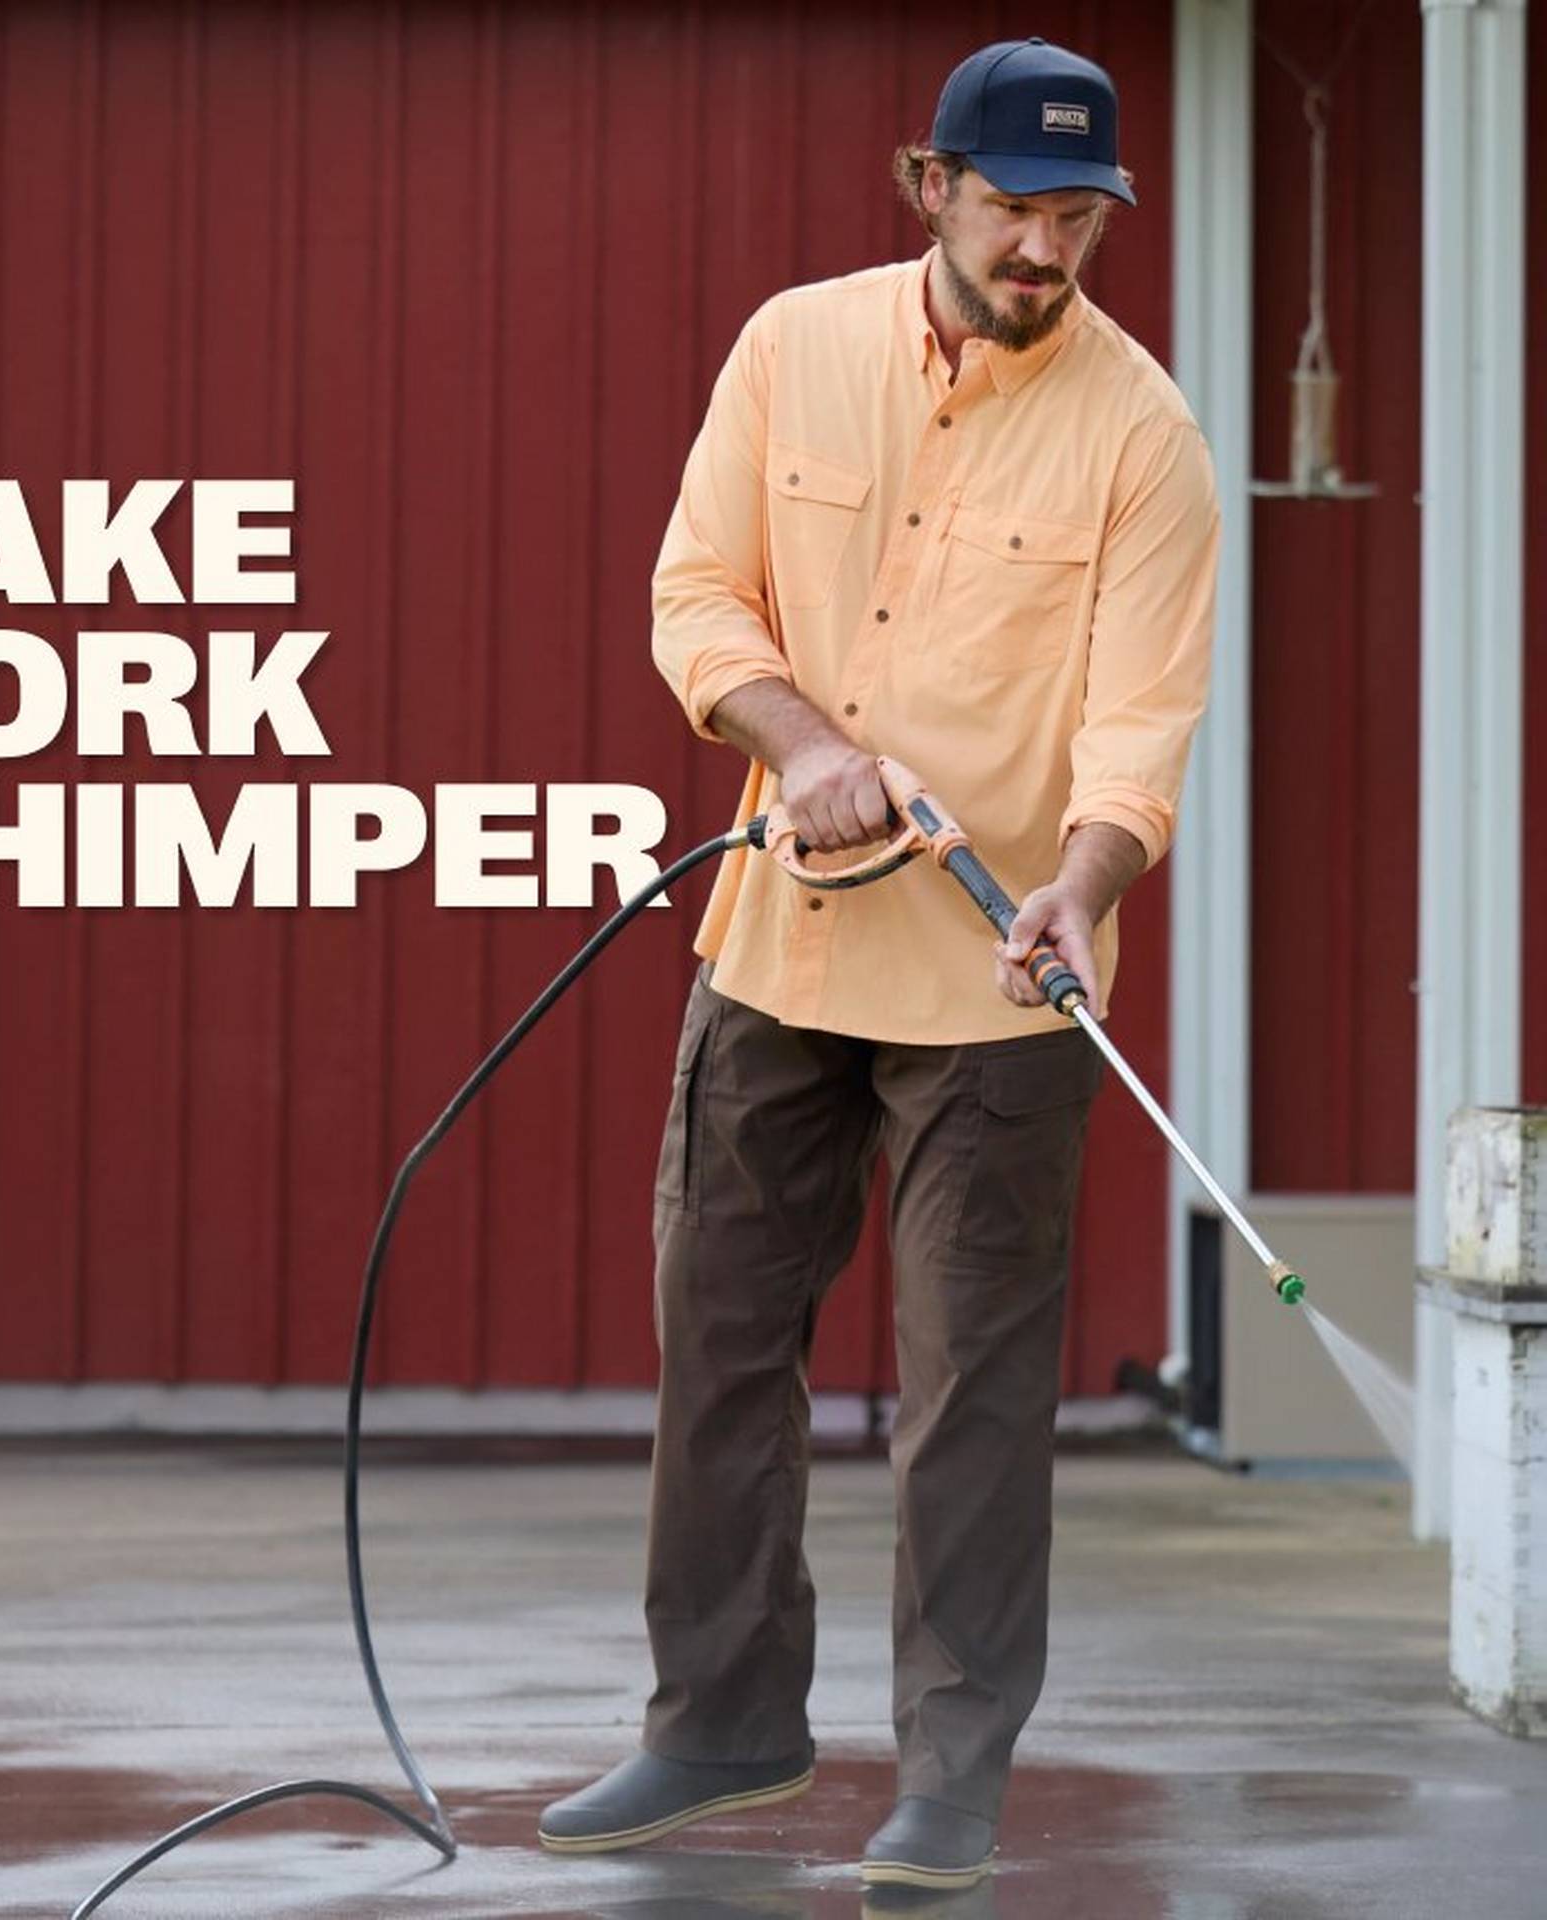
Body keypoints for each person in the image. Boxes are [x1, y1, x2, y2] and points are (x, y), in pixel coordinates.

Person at [536, 36, 1219, 1893]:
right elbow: (699, 594)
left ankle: (953, 1782)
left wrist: (1085, 885)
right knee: (720, 1345)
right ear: (929, 184)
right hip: (776, 947)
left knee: (972, 1399)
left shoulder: (1144, 438)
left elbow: (1140, 727)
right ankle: (718, 1730)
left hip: (1002, 995)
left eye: (1084, 216)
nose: (1051, 250)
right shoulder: (791, 349)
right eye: (1019, 208)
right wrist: (803, 744)